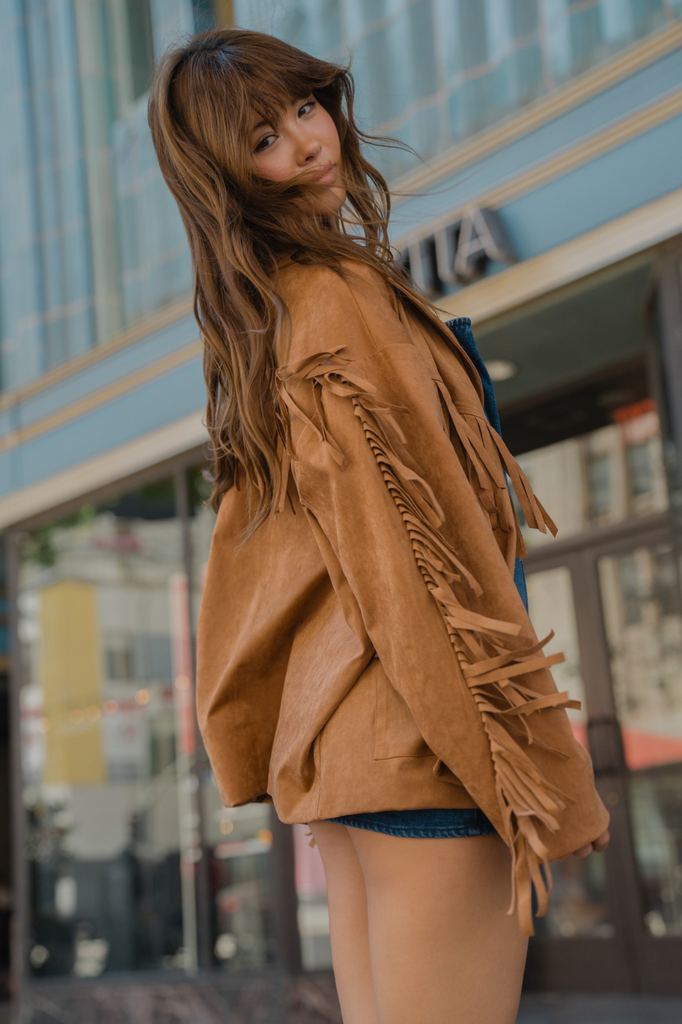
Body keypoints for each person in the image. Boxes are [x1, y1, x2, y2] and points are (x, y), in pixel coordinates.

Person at [148, 28, 610, 1024]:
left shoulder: (268, 321)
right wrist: (517, 757)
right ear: (228, 179)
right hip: (423, 737)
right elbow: (416, 554)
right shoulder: (336, 301)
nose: (309, 144)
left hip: (352, 752)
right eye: (265, 138)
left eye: (306, 109)